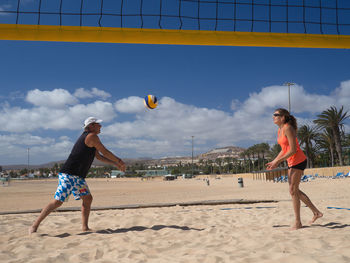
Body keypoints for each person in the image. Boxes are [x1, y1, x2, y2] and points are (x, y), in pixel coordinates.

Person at [29, 117, 126, 234]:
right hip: (69, 174)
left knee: (88, 198)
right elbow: (104, 151)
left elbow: (99, 156)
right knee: (58, 202)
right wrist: (119, 160)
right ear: (91, 126)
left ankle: (85, 227)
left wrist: (115, 163)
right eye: (98, 124)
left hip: (78, 177)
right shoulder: (91, 136)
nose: (100, 126)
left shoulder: (90, 138)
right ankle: (34, 226)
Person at [266, 108, 323, 230]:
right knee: (294, 191)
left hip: (298, 160)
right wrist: (274, 160)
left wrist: (278, 161)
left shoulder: (288, 127)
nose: (273, 117)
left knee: (293, 191)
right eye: (273, 115)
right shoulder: (280, 130)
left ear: (283, 117)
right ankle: (316, 213)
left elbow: (293, 150)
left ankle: (298, 222)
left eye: (276, 115)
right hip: (291, 161)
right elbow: (284, 149)